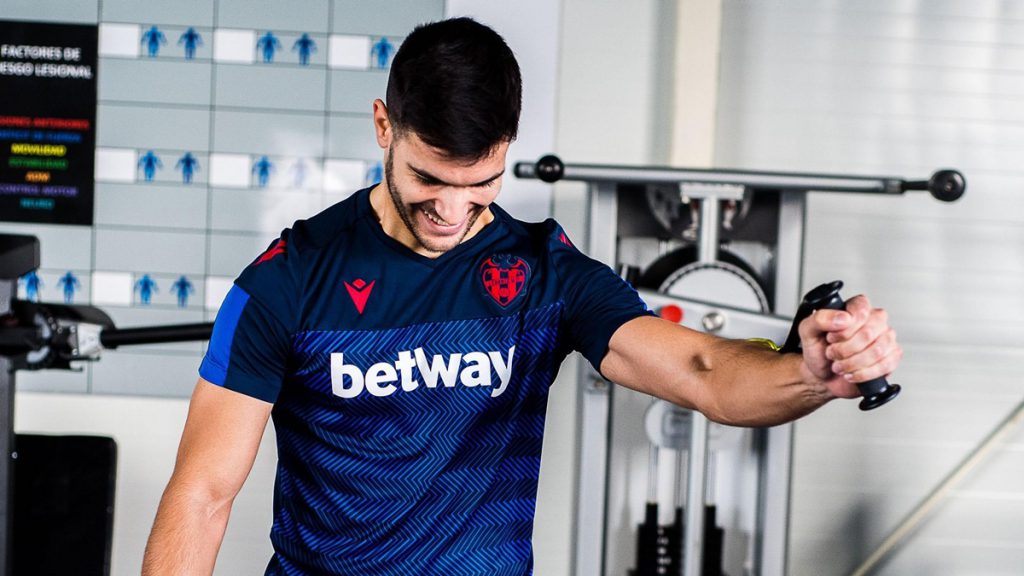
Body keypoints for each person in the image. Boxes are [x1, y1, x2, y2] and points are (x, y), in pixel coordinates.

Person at [142, 17, 901, 576]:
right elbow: (203, 494)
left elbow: (702, 369)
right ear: (384, 126)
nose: (450, 212)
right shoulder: (287, 281)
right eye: (429, 180)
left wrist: (807, 373)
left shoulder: (542, 272)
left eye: (480, 186)